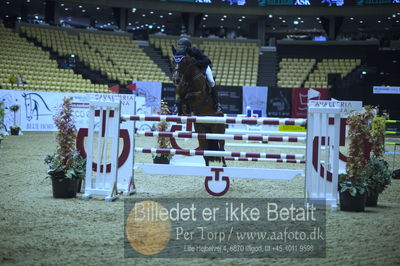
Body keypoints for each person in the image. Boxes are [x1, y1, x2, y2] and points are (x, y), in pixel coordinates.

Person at [176, 37, 222, 113]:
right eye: (179, 47)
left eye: (182, 47)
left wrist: (196, 62)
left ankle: (217, 104)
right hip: (190, 71)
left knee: (211, 81)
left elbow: (207, 61)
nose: (180, 49)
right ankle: (177, 105)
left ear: (187, 47)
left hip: (203, 67)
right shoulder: (180, 53)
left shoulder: (195, 51)